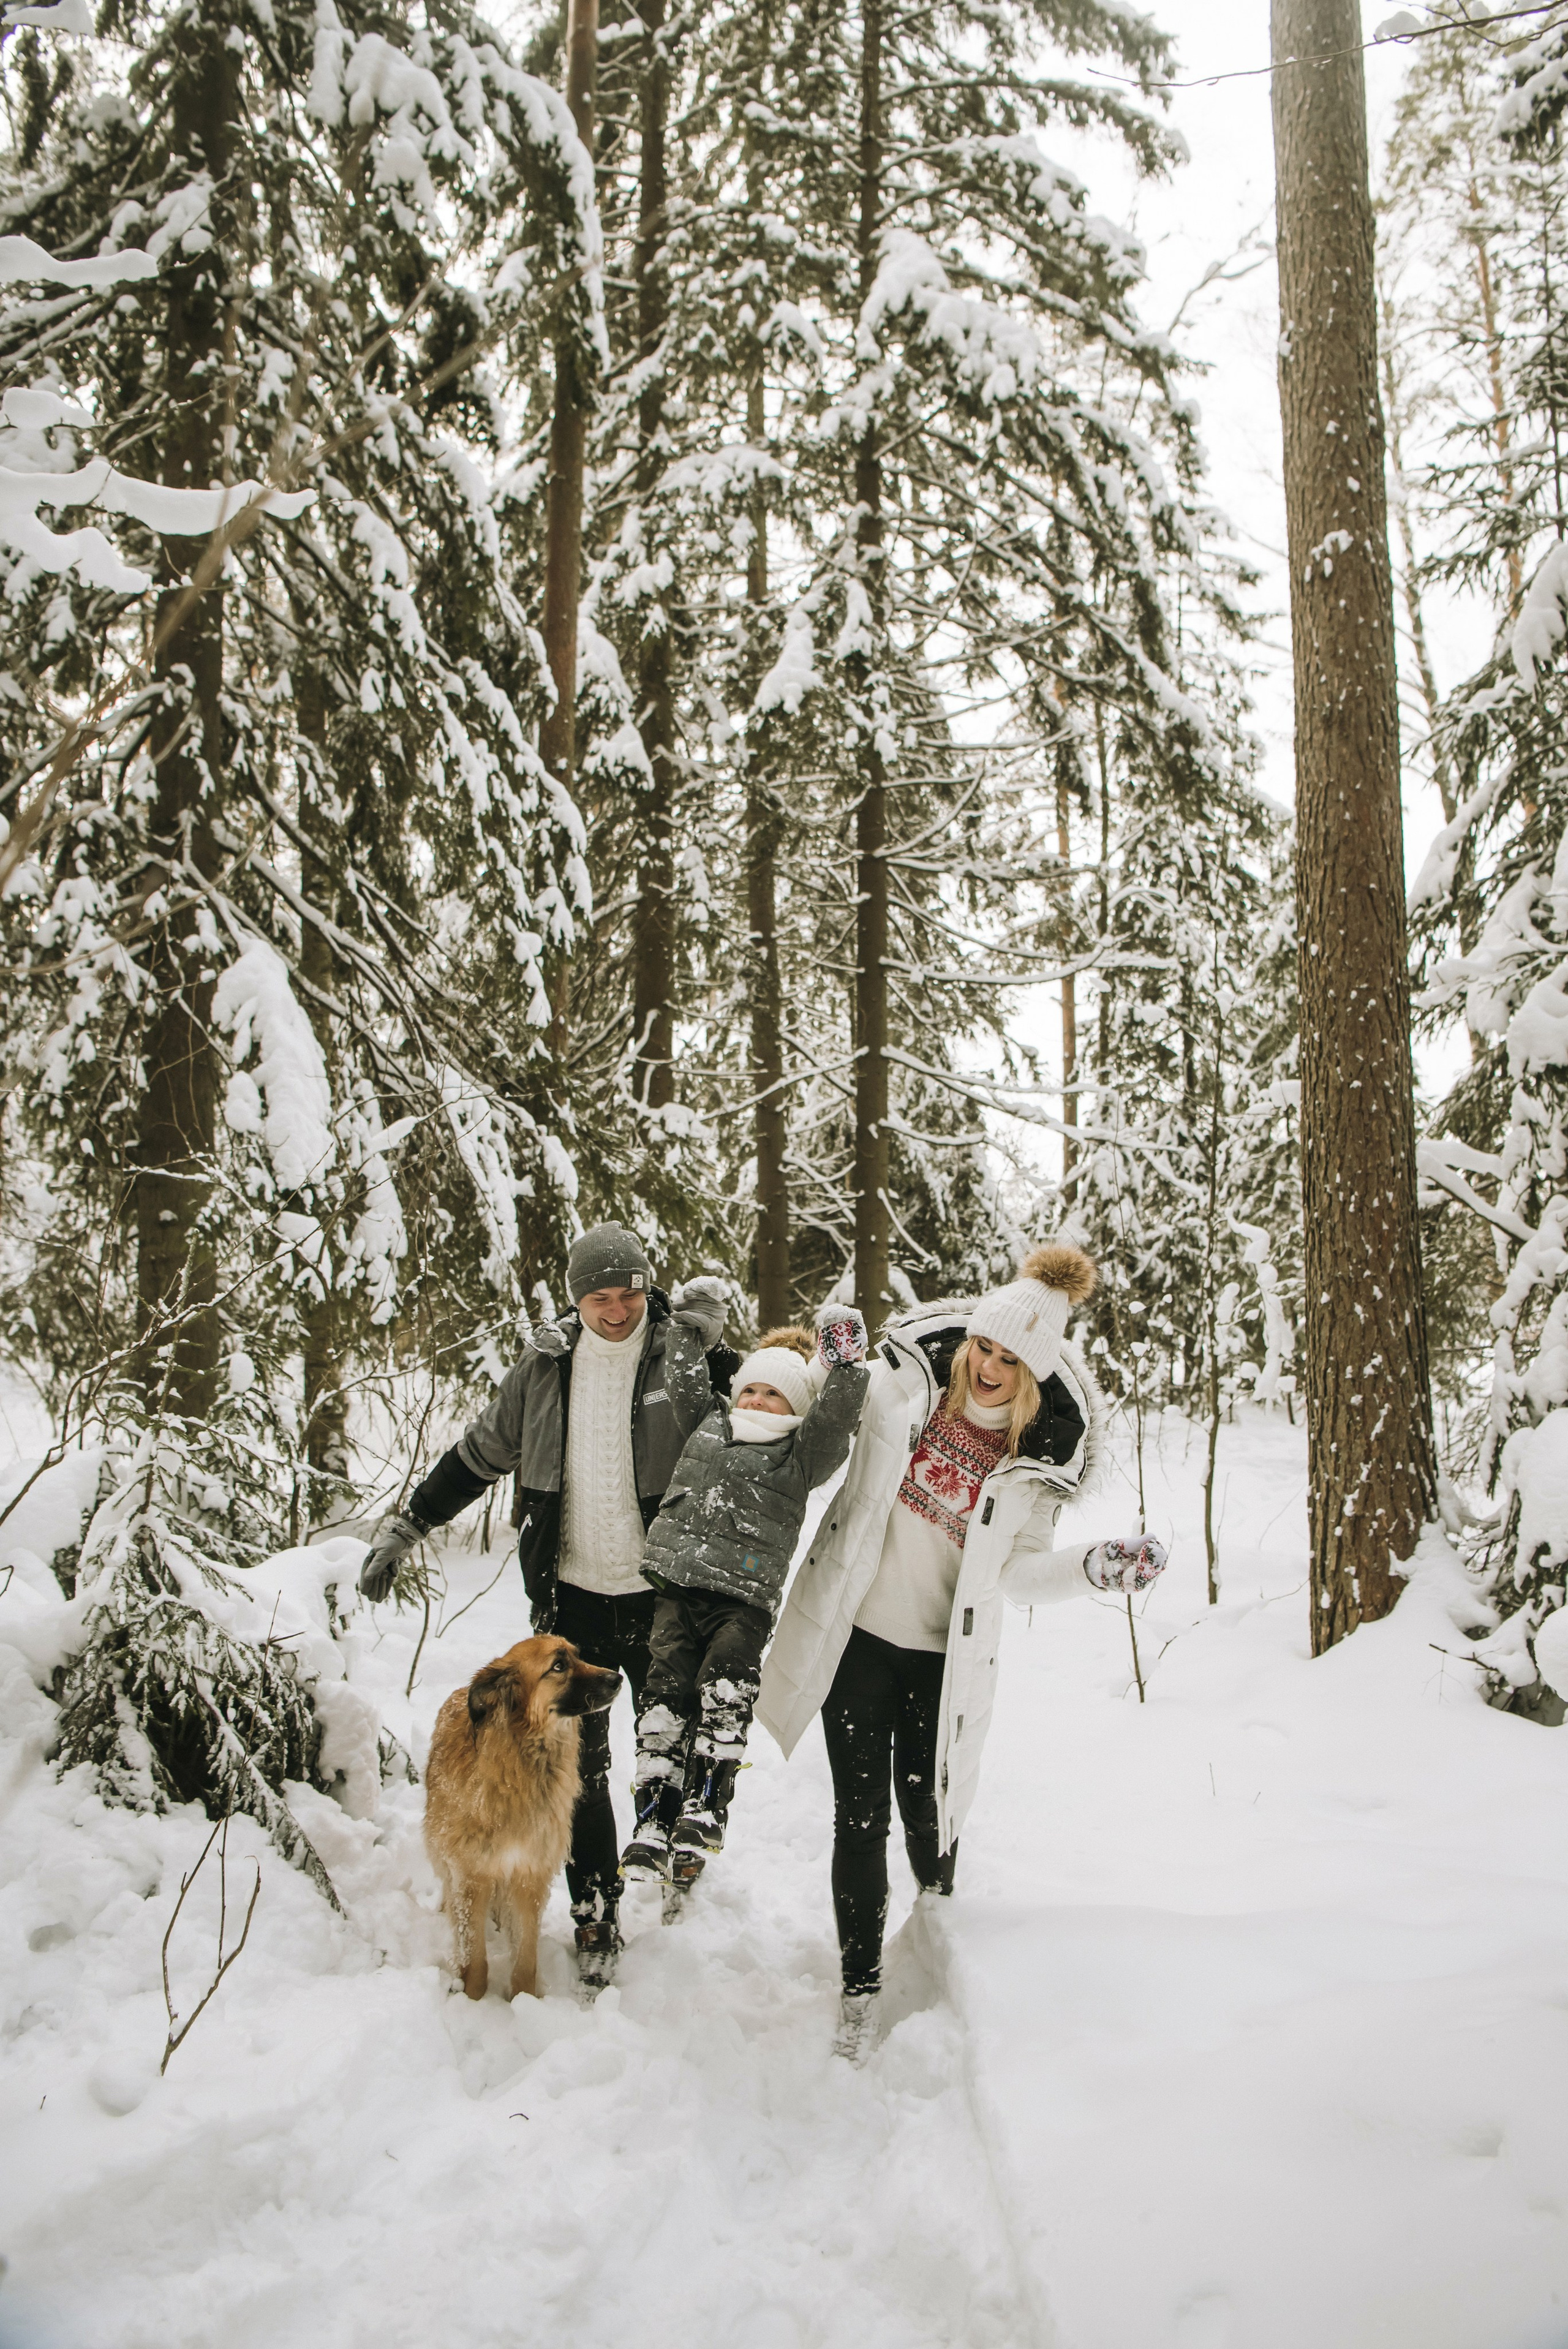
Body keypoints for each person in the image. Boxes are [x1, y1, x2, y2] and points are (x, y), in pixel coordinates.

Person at [756, 1242, 1168, 2059]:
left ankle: (943, 1937)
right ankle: (861, 1983)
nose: (989, 1363)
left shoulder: (1033, 1464)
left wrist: (1091, 1566)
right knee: (858, 1818)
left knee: (929, 1819)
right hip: (858, 1644)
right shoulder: (903, 1394)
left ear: (1033, 1372)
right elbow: (831, 1404)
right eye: (984, 1343)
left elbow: (1018, 1572)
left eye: (1011, 1357)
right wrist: (829, 1352)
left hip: (940, 1666)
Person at [358, 1223, 736, 1988]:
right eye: (601, 1297)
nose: (617, 1310)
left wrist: (726, 1354)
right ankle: (596, 1912)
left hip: (666, 1596)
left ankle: (679, 1852)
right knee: (581, 1778)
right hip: (575, 1604)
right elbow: (478, 1453)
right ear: (577, 1297)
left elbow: (760, 1420)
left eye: (631, 1293)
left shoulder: (683, 1353)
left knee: (673, 1746)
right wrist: (409, 1524)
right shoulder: (543, 1367)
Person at [620, 1308, 870, 1888]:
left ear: (797, 1408)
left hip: (742, 1597)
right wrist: (688, 1330)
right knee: (663, 1702)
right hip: (678, 1589)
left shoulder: (802, 1453)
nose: (757, 1400)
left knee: (725, 1687)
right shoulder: (709, 1422)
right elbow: (683, 1381)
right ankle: (653, 1821)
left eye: (774, 1395)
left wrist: (847, 1367)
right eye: (750, 1388)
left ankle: (707, 1802)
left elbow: (836, 1419)